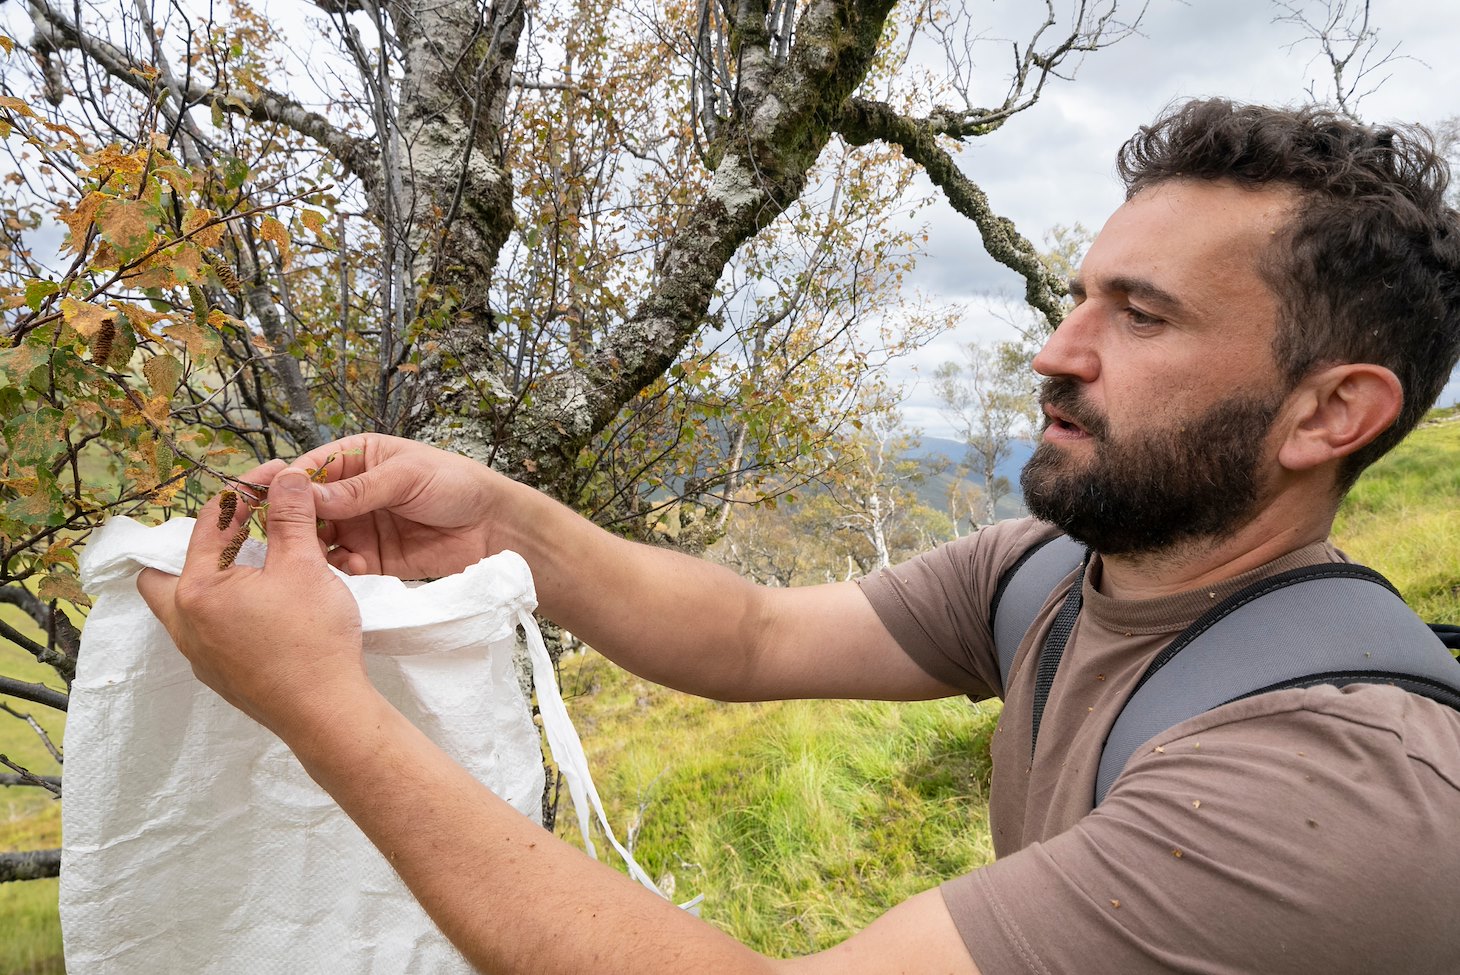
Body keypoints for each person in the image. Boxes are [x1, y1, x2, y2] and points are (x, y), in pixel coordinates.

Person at [138, 98, 1460, 973]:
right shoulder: (1059, 575)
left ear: (1330, 412)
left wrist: (320, 705)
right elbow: (753, 636)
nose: (1056, 354)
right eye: (1077, 300)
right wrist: (503, 524)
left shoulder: (1331, 792)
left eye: (1143, 317)